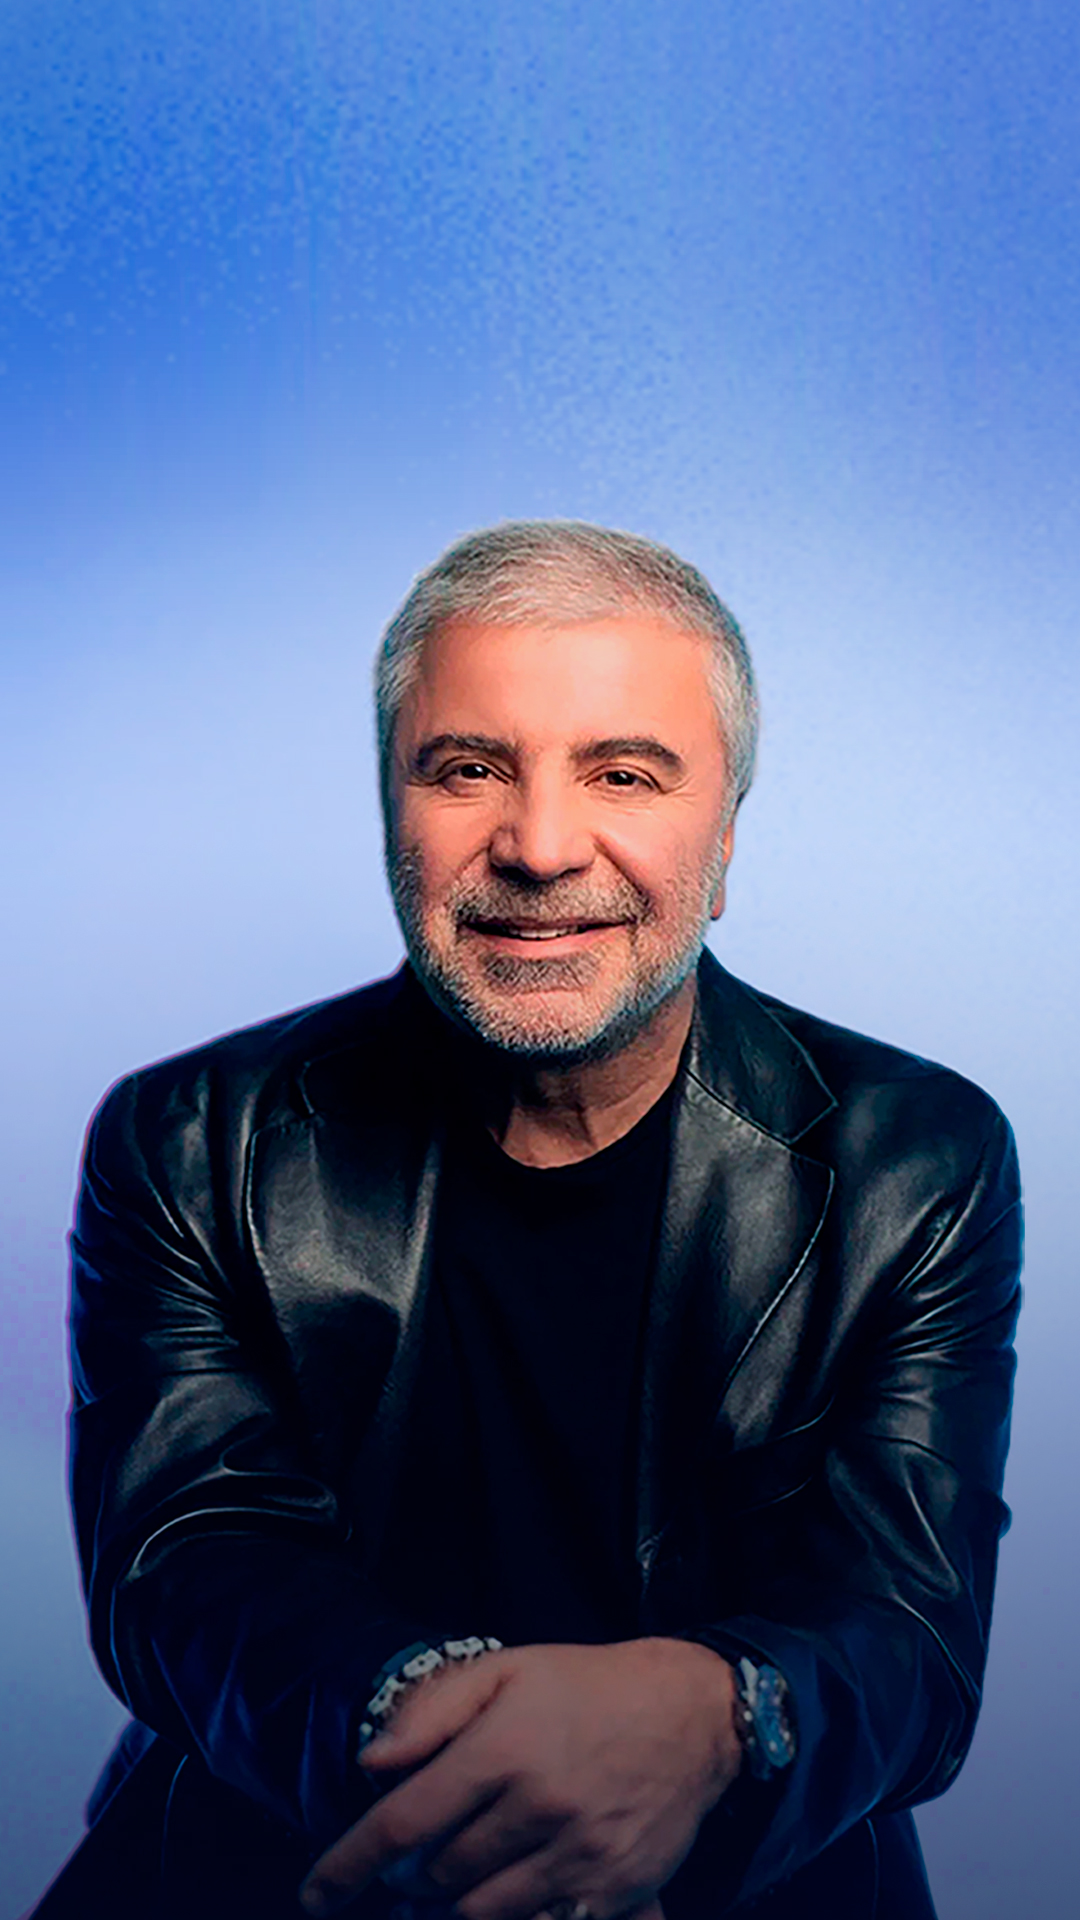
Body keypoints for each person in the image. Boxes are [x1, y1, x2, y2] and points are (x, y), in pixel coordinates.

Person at [34, 522, 1021, 1920]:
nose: (542, 847)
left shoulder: (918, 1157)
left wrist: (711, 1715)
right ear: (390, 809)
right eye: (468, 769)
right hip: (269, 1870)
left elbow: (911, 1628)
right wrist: (464, 1734)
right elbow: (186, 1570)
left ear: (725, 841)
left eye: (624, 774)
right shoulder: (187, 1138)